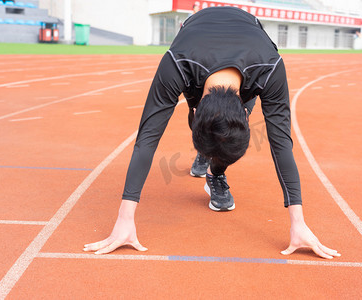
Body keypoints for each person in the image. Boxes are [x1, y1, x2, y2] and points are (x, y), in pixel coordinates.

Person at [84, 6, 340, 259]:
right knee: (211, 127)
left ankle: (214, 172)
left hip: (250, 39)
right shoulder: (177, 65)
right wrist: (124, 218)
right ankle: (205, 152)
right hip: (194, 38)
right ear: (195, 112)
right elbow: (147, 137)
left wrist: (299, 223)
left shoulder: (270, 69)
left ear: (245, 111)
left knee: (227, 136)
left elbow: (281, 143)